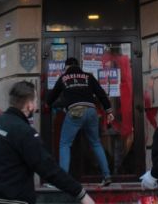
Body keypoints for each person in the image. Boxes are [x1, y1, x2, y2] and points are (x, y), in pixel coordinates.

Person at [0, 81, 95, 204]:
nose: (36, 105)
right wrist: (80, 193)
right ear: (29, 105)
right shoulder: (25, 132)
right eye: (35, 101)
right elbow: (48, 168)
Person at [46, 57, 114, 186]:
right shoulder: (88, 76)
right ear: (78, 66)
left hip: (75, 111)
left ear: (67, 67)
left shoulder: (64, 77)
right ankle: (107, 176)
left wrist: (47, 104)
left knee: (65, 144)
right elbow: (101, 93)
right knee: (96, 143)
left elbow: (52, 96)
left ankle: (62, 180)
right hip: (91, 111)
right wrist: (109, 111)